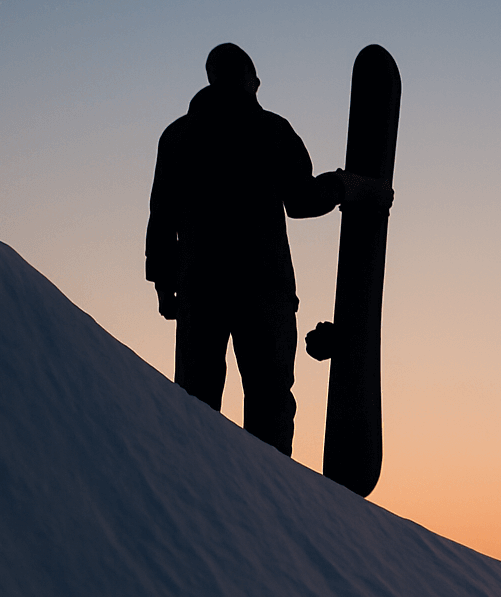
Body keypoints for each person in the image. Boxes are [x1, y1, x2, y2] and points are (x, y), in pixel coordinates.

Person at [145, 43, 387, 454]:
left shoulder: (177, 136)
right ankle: (265, 508)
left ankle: (192, 492)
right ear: (251, 80)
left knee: (194, 404)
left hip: (200, 291)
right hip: (263, 292)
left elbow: (161, 218)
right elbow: (302, 201)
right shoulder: (271, 131)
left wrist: (164, 283)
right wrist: (347, 185)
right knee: (270, 408)